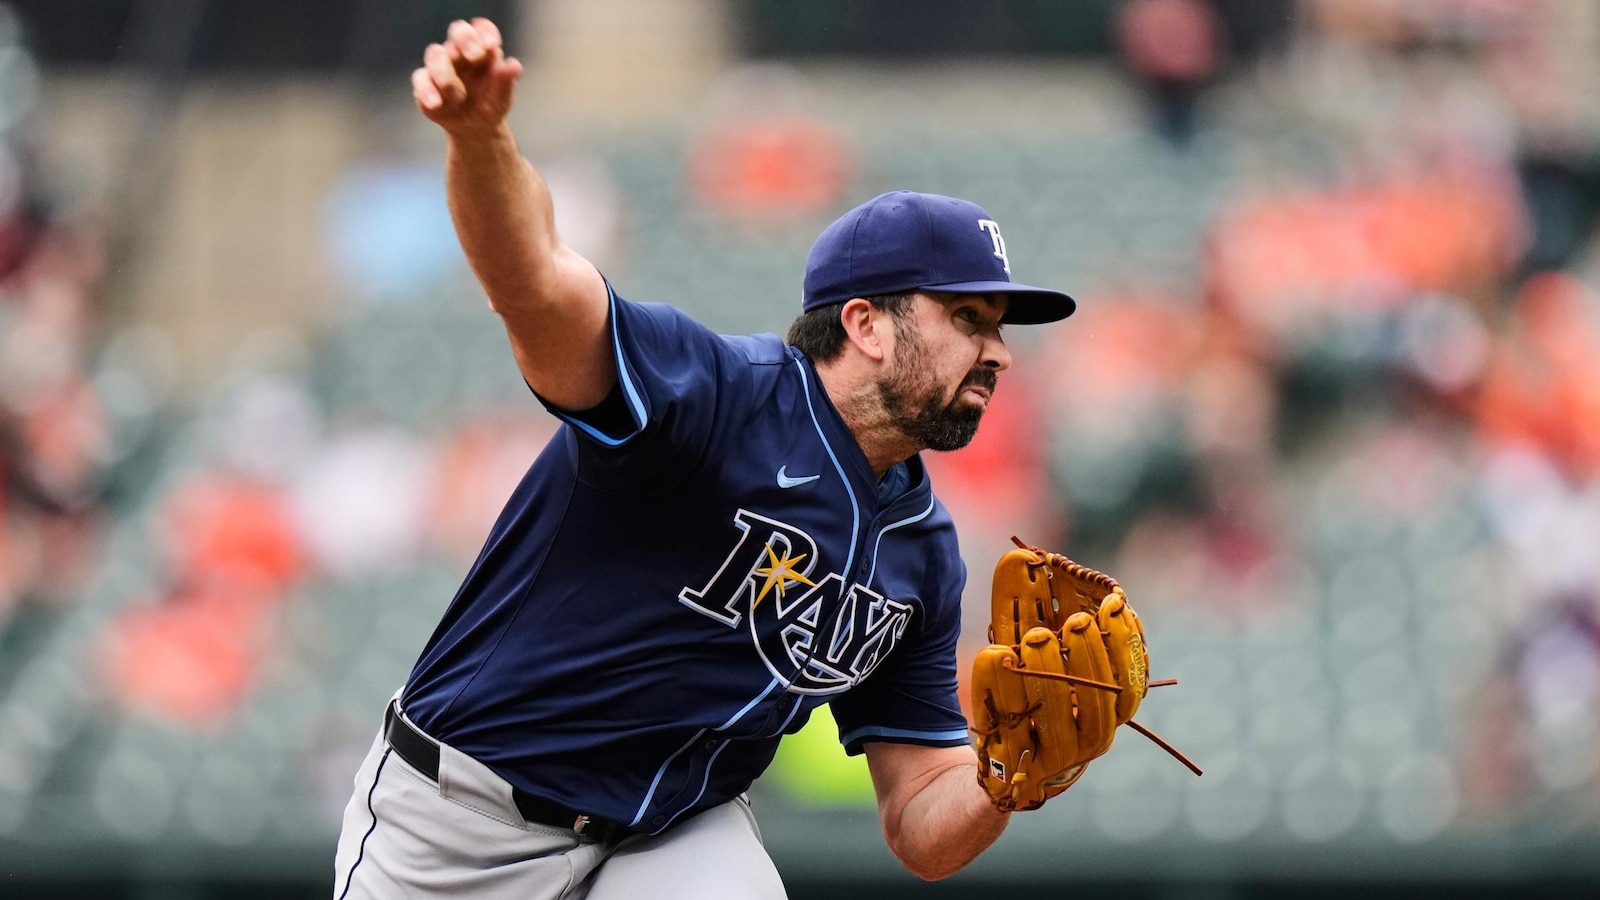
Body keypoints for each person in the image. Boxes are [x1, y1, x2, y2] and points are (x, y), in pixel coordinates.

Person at [332, 17, 1079, 900]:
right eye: (967, 319)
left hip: (671, 831)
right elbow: (535, 283)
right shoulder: (717, 396)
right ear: (866, 324)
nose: (997, 352)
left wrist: (1006, 775)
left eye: (997, 329)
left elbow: (920, 817)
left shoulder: (922, 550)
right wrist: (480, 140)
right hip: (470, 816)